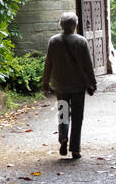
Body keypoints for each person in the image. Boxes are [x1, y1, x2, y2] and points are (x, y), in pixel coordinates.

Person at [41, 11, 97, 159]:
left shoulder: (54, 41)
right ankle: (75, 149)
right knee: (78, 117)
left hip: (60, 85)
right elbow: (88, 65)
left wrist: (45, 82)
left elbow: (49, 63)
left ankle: (63, 137)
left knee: (63, 113)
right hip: (78, 85)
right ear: (75, 25)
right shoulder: (81, 41)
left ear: (61, 24)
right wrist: (92, 82)